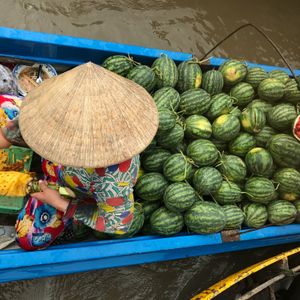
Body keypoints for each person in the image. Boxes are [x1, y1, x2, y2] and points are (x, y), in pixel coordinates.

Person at [0, 62, 158, 251]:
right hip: (54, 169)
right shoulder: (53, 102)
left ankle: (70, 226)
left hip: (72, 191)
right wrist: (6, 136)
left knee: (28, 238)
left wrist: (58, 202)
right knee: (6, 106)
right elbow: (12, 130)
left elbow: (118, 223)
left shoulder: (114, 176)